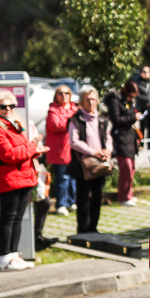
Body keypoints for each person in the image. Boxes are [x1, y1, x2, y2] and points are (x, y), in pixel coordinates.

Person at [0, 92, 46, 271]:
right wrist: (32, 146)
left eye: (11, 106)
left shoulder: (13, 125)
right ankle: (4, 259)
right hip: (9, 177)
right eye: (3, 106)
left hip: (23, 176)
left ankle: (13, 255)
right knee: (8, 218)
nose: (8, 109)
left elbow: (20, 151)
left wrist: (34, 149)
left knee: (17, 219)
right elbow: (9, 155)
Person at [69, 87, 113, 235]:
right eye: (87, 100)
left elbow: (108, 138)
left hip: (99, 164)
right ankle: (82, 229)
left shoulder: (102, 120)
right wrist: (93, 152)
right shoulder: (76, 120)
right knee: (84, 198)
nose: (91, 102)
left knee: (97, 197)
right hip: (84, 165)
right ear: (81, 102)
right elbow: (74, 142)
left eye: (93, 99)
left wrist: (107, 151)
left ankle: (93, 228)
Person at [104, 82, 140, 206]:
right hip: (120, 139)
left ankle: (129, 194)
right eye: (130, 96)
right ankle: (123, 197)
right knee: (126, 168)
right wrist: (134, 117)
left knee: (132, 168)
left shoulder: (128, 102)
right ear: (126, 92)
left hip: (130, 138)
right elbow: (116, 120)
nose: (131, 98)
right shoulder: (114, 101)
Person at [45, 86, 78, 216]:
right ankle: (61, 204)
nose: (64, 96)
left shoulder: (74, 108)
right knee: (62, 177)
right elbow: (55, 126)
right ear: (56, 96)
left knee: (73, 177)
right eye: (61, 93)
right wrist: (71, 120)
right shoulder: (53, 110)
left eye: (67, 93)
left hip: (74, 149)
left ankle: (71, 202)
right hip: (60, 150)